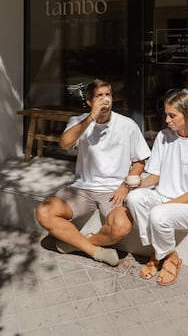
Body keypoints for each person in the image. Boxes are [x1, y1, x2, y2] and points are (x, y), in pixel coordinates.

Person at [35, 78, 151, 267]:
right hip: (82, 189)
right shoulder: (79, 122)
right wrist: (91, 117)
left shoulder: (127, 125)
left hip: (113, 190)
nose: (105, 99)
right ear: (90, 101)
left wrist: (125, 186)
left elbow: (140, 161)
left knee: (122, 227)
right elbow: (64, 144)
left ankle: (78, 243)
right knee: (44, 212)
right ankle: (94, 251)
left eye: (108, 95)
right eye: (99, 96)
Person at [126, 89, 188, 285]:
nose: (167, 120)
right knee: (134, 198)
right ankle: (168, 253)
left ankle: (159, 256)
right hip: (162, 196)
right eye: (166, 115)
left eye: (172, 115)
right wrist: (138, 183)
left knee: (158, 214)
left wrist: (165, 206)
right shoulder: (163, 136)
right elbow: (156, 175)